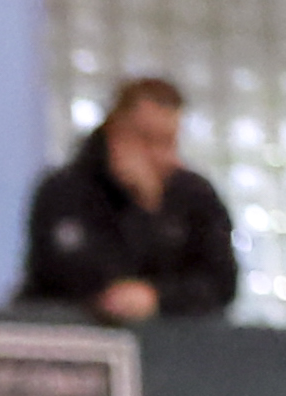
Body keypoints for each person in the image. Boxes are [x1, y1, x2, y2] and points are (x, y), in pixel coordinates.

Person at [17, 76, 237, 321]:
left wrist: (158, 298)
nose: (158, 156)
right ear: (115, 133)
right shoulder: (63, 191)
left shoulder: (195, 197)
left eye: (168, 142)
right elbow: (61, 273)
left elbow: (221, 284)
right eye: (147, 139)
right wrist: (137, 206)